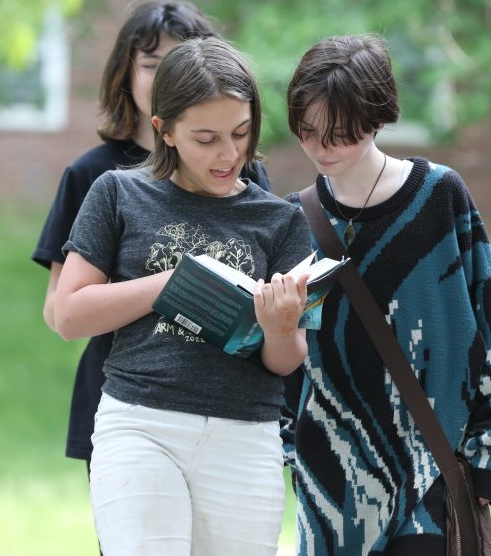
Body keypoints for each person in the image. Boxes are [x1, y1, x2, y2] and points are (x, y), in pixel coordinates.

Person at [52, 35, 311, 554]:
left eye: (240, 133)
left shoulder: (281, 220)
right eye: (206, 138)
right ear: (163, 130)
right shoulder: (117, 192)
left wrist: (281, 327)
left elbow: (285, 363)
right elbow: (68, 315)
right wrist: (171, 283)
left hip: (247, 437)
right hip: (141, 425)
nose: (228, 154)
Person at [282, 33, 491, 555]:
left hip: (431, 479)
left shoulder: (438, 197)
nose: (320, 149)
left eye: (339, 134)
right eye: (307, 132)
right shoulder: (293, 219)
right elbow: (290, 357)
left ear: (377, 118)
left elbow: (490, 324)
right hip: (330, 490)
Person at [31, 0, 271, 479]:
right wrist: (169, 286)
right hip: (125, 409)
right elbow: (60, 310)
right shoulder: (94, 176)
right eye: (152, 64)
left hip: (227, 414)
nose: (168, 78)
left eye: (182, 62)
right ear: (125, 72)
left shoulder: (244, 171)